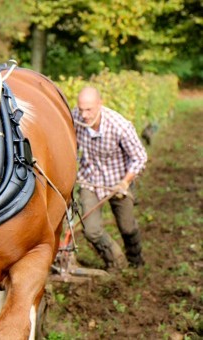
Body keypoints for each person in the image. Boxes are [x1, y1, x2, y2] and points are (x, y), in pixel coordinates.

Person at [72, 86, 147, 270]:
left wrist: (125, 182)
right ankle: (117, 262)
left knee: (127, 228)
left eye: (89, 109)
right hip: (90, 180)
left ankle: (136, 260)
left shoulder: (119, 126)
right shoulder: (74, 118)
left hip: (118, 182)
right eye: (81, 109)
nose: (84, 115)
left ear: (100, 104)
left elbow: (140, 157)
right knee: (91, 230)